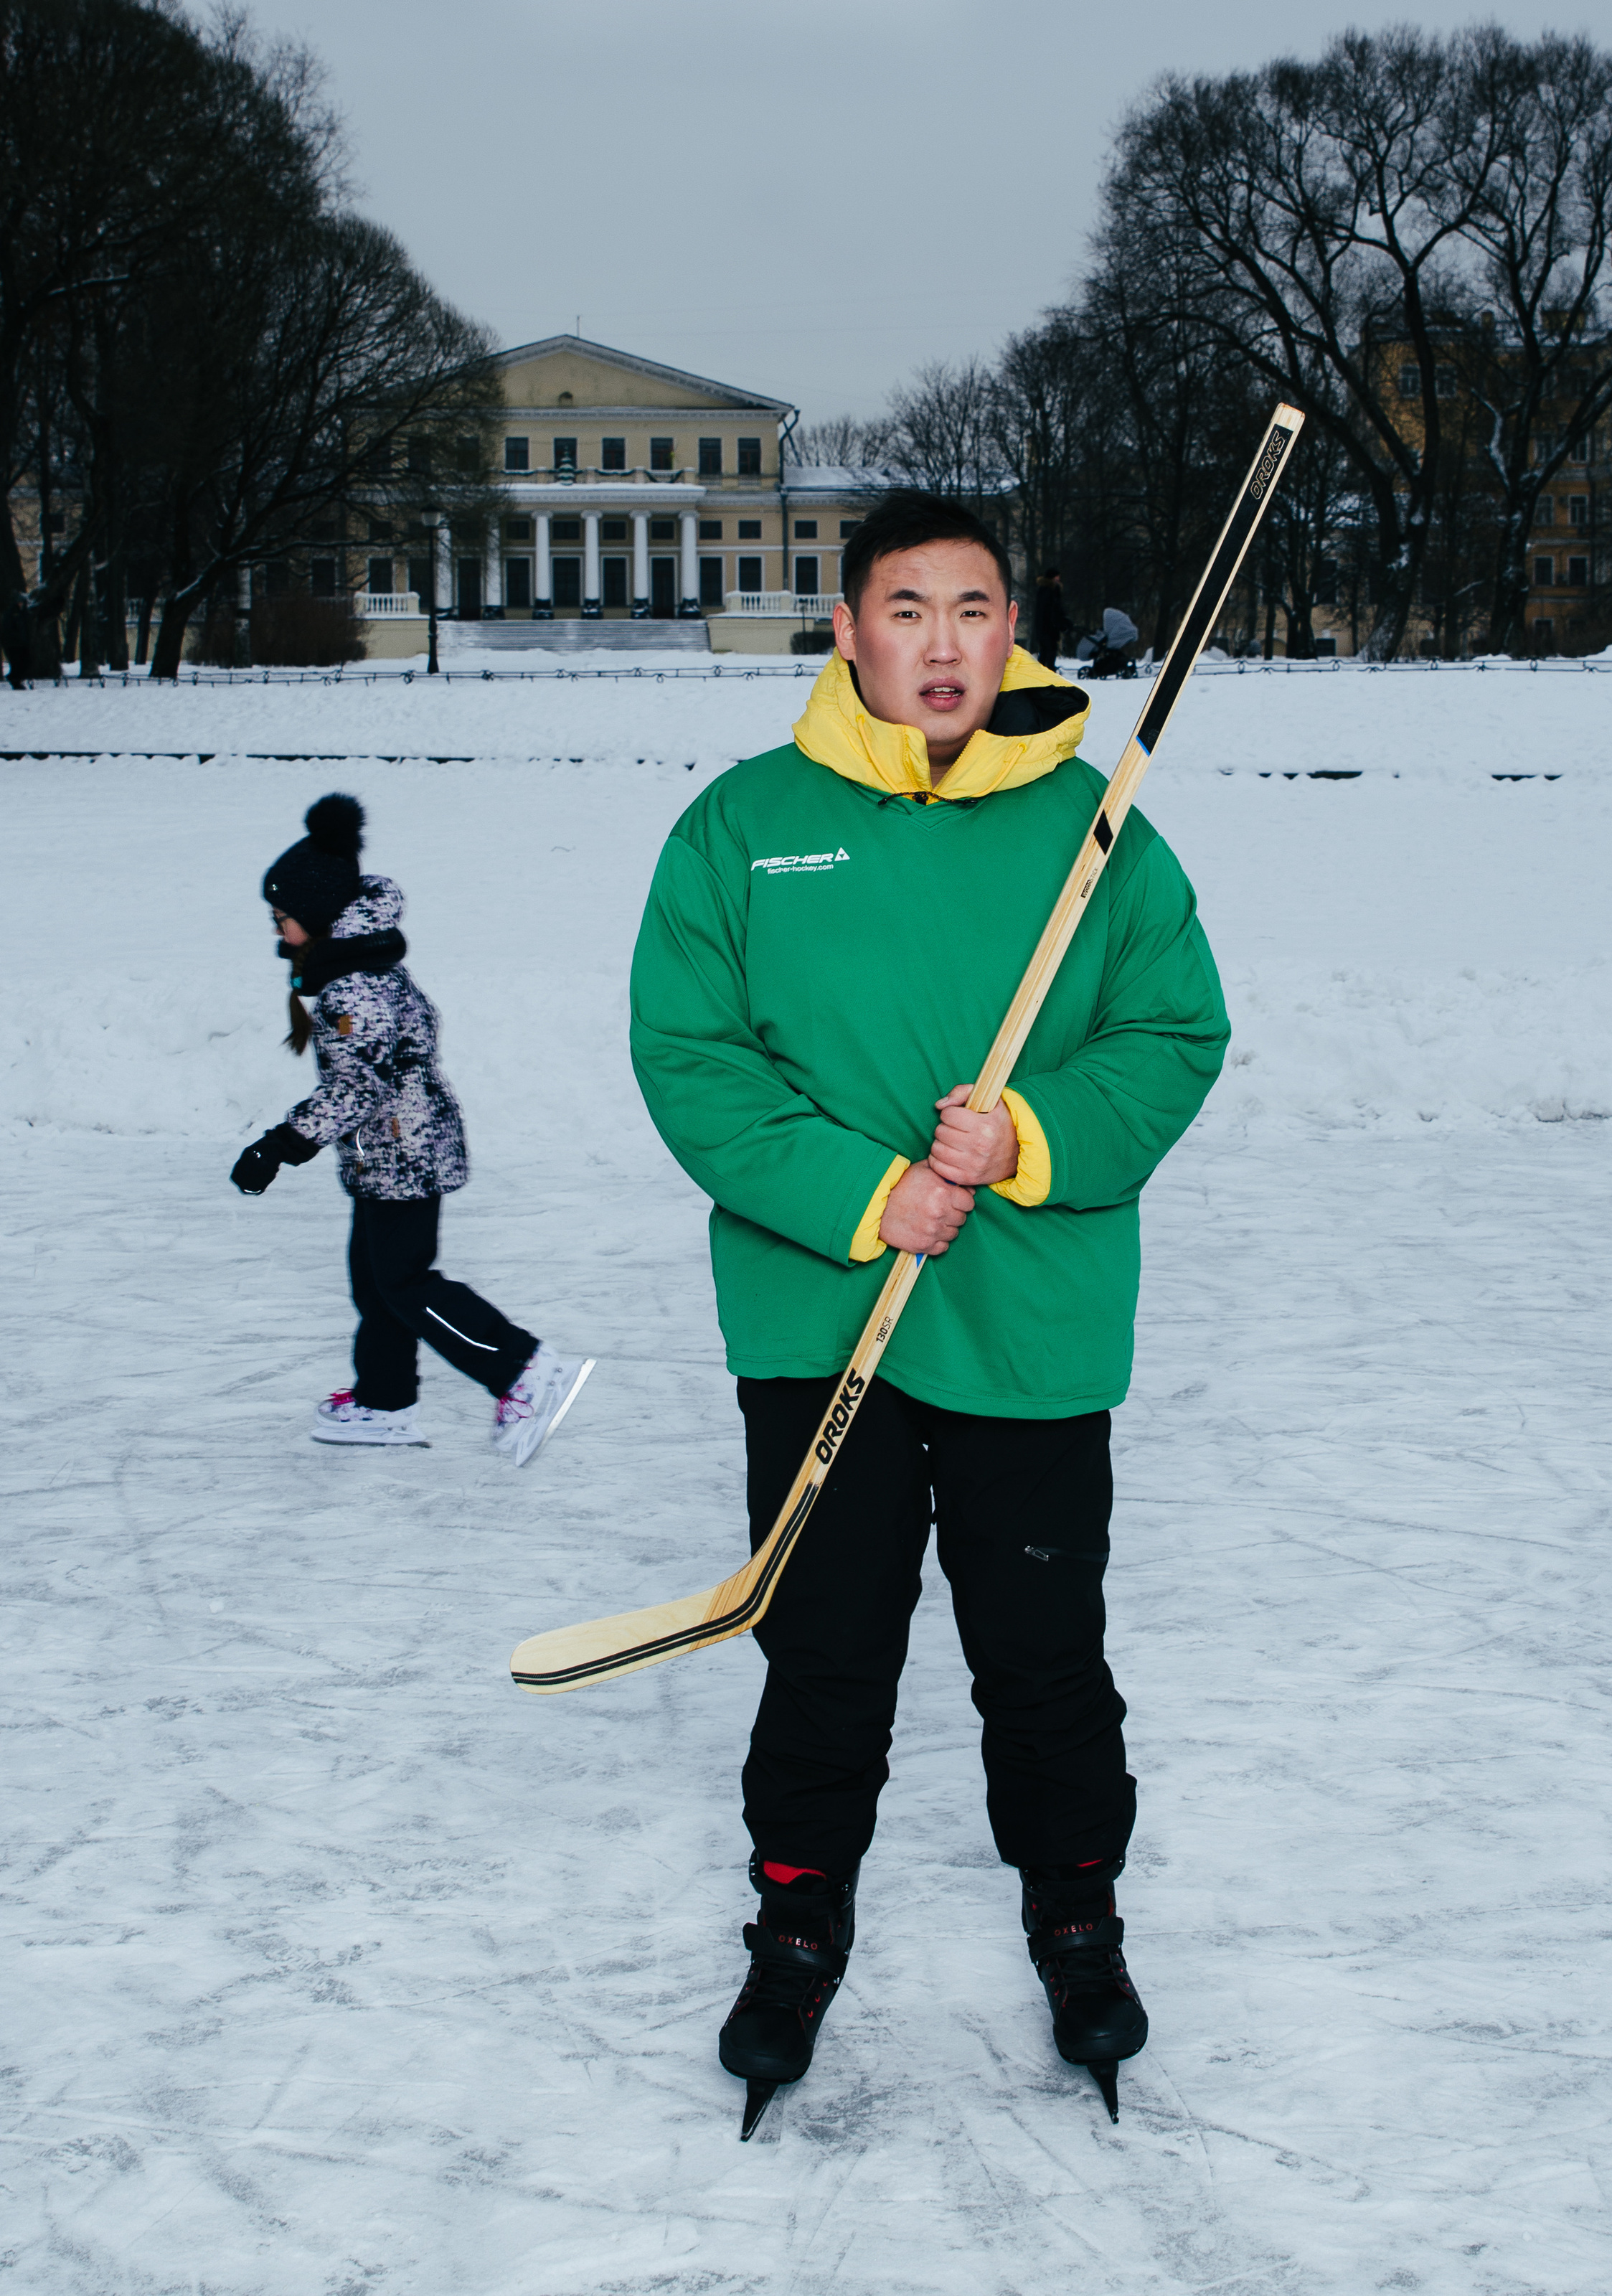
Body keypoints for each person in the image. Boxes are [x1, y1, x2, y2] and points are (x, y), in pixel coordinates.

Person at [629, 492, 1230, 2127]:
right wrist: (861, 1190)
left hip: (1028, 1327)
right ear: (847, 629)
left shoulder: (1093, 830)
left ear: (1008, 622)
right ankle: (796, 1920)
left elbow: (1172, 1035)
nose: (944, 642)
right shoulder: (743, 827)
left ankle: (1076, 1914)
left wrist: (1025, 1138)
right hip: (822, 1323)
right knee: (822, 1650)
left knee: (1041, 1657)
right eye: (908, 609)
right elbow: (687, 1056)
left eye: (973, 607)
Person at [234, 794, 593, 1467]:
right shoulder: (356, 971)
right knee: (376, 1284)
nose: (278, 931)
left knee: (405, 1283)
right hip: (392, 1153)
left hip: (402, 1154)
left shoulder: (354, 991)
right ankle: (384, 1401)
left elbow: (355, 1088)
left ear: (314, 919)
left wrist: (278, 1147)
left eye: (282, 918)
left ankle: (522, 1369)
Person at [1030, 565, 1069, 668]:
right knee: (1050, 650)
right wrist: (1060, 622)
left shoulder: (1045, 590)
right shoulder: (1050, 591)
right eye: (1057, 577)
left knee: (1045, 651)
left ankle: (1042, 672)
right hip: (1048, 628)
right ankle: (1048, 671)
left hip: (1045, 628)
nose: (1059, 579)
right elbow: (1053, 610)